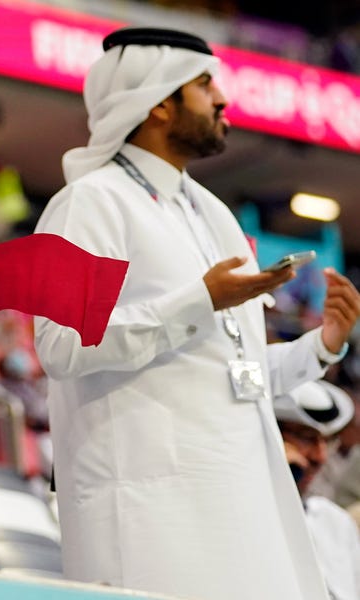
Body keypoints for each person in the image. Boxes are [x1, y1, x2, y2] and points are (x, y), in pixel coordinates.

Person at [33, 27, 360, 600]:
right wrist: (199, 299)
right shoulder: (90, 204)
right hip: (151, 511)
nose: (222, 99)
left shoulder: (212, 214)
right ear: (157, 100)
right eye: (204, 84)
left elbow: (236, 374)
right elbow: (61, 344)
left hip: (236, 499)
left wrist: (321, 346)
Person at [275, 380, 360, 600]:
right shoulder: (243, 517)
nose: (320, 457)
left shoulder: (334, 520)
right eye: (305, 438)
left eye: (326, 442)